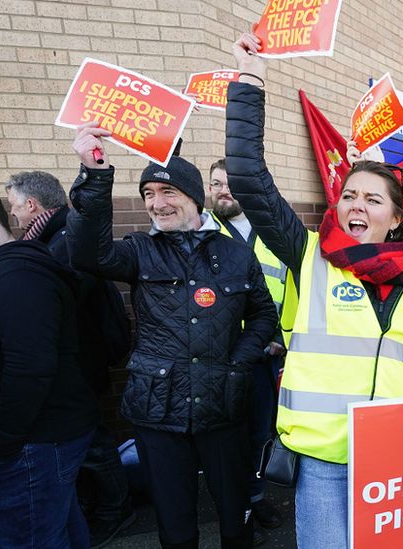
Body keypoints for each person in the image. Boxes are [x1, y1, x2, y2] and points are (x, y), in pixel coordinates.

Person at [228, 32, 403, 549]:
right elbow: (248, 177)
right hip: (324, 459)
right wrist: (249, 80)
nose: (357, 206)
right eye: (348, 195)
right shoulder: (308, 254)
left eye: (373, 199)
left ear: (396, 219)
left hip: (393, 455)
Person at [66, 125, 278, 549]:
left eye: (168, 192)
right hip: (157, 411)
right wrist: (94, 174)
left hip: (223, 405)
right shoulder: (139, 250)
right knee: (175, 523)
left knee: (235, 516)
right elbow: (88, 254)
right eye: (149, 195)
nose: (157, 204)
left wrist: (238, 363)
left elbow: (263, 315)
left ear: (194, 198)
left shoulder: (235, 254)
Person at [5, 171, 136, 548]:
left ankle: (117, 508)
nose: (13, 215)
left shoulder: (63, 239)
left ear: (32, 205)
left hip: (84, 356)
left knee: (93, 439)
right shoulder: (51, 238)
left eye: (15, 206)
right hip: (77, 355)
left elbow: (69, 302)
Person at [0, 197, 99, 548]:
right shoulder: (14, 271)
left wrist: (3, 438)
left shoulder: (17, 277)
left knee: (30, 537)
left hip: (34, 440)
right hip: (35, 438)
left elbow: (29, 369)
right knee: (55, 526)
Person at [208, 160, 288, 545]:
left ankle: (255, 499)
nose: (223, 191)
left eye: (229, 184)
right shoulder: (200, 230)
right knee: (225, 437)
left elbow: (293, 290)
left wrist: (281, 339)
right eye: (215, 184)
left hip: (263, 357)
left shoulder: (273, 233)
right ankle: (233, 506)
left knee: (260, 433)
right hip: (217, 359)